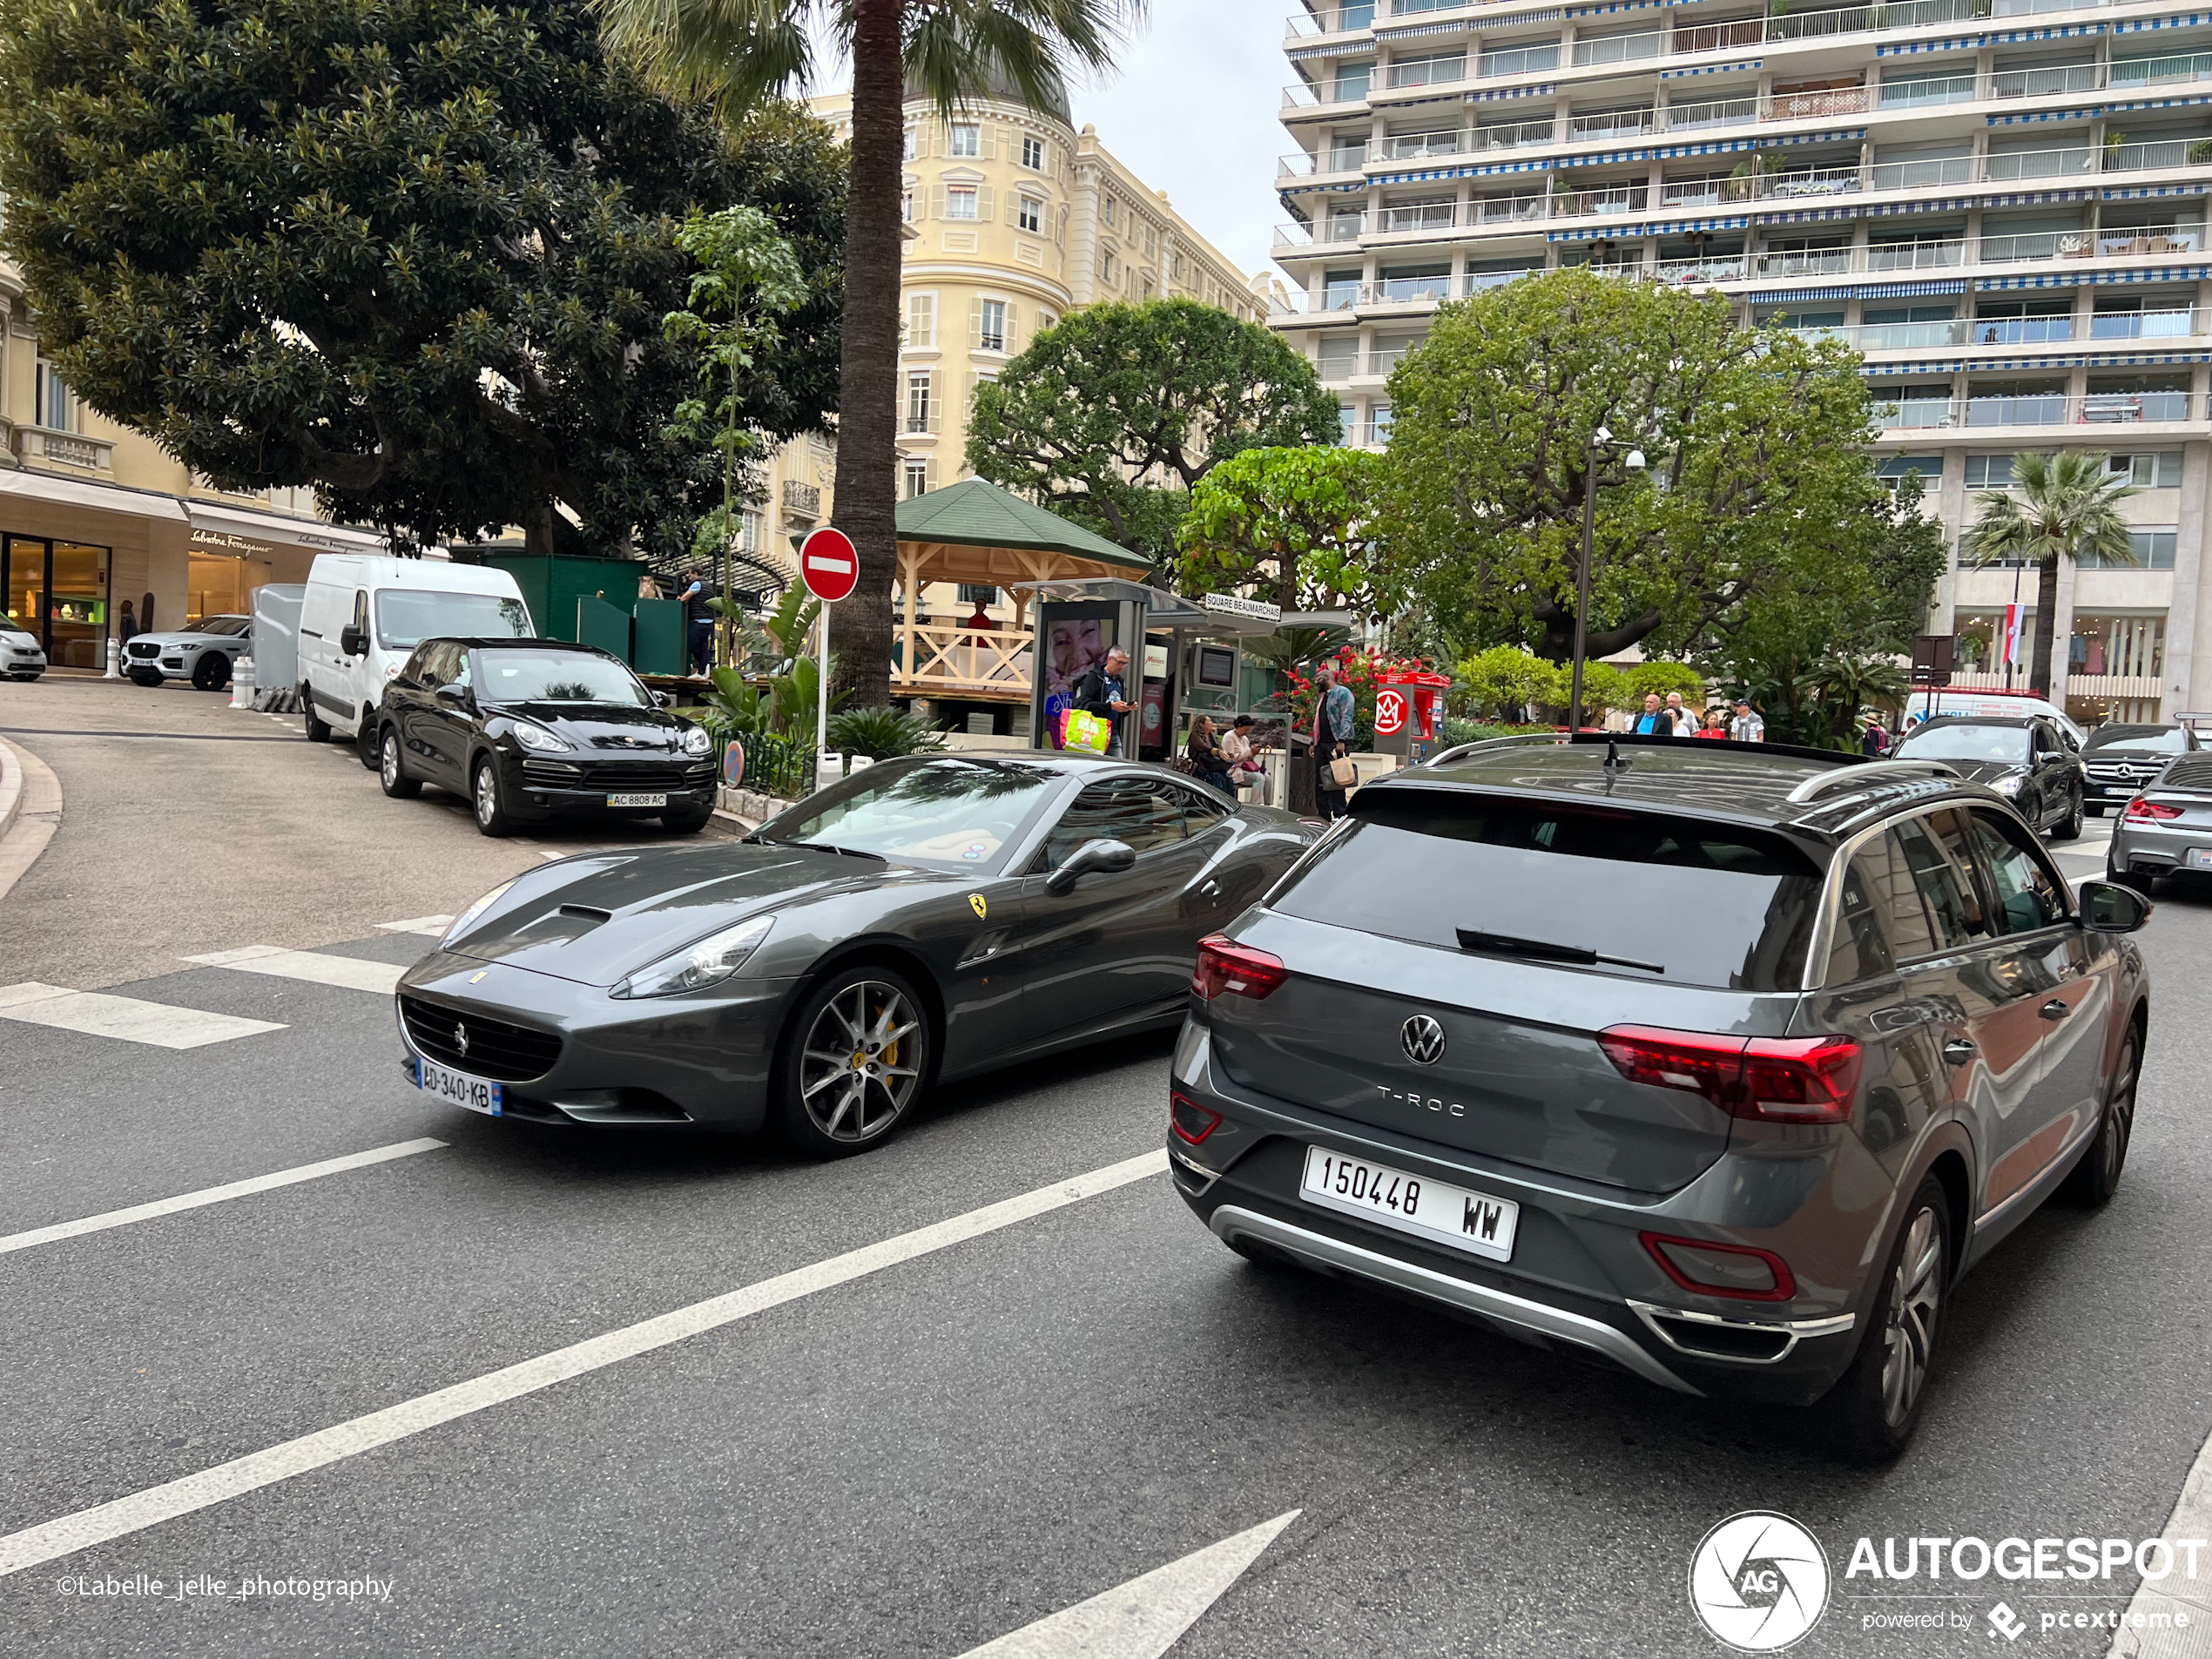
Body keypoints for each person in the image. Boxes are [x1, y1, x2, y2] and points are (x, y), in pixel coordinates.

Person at [1071, 644, 1134, 757]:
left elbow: (1117, 711)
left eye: (1125, 664)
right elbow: (1081, 704)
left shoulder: (1120, 681)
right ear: (1110, 659)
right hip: (1094, 734)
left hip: (1113, 734)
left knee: (1118, 770)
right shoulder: (1095, 677)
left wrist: (1127, 708)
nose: (1122, 667)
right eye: (1120, 662)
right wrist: (1110, 706)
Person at [1312, 664, 1356, 819]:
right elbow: (1319, 720)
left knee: (1338, 778)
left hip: (1336, 742)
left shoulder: (1342, 693)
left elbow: (1347, 716)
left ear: (1328, 677)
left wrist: (1342, 740)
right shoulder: (1324, 696)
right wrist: (1314, 742)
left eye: (1319, 679)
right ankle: (1323, 813)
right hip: (1322, 742)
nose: (1317, 683)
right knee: (1321, 779)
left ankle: (1339, 812)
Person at [1186, 716, 1236, 798]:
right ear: (1201, 724)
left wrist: (1226, 754)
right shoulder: (1195, 735)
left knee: (1227, 779)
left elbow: (1219, 748)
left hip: (1213, 765)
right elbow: (1204, 748)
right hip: (1201, 767)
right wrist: (1218, 752)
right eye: (1209, 721)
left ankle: (1229, 803)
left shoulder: (1212, 736)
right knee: (1217, 780)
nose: (1212, 723)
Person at [1219, 714, 1268, 795]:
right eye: (1246, 729)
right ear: (1239, 726)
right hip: (1234, 770)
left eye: (1249, 730)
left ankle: (1267, 804)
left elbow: (1248, 757)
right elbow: (1230, 758)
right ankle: (1255, 804)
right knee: (1259, 778)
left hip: (1245, 768)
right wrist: (1250, 751)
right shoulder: (1229, 737)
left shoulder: (1245, 739)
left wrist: (1253, 752)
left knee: (1267, 778)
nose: (1247, 732)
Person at [681, 563, 714, 677]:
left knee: (692, 645)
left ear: (695, 574)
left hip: (699, 621)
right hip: (708, 622)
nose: (689, 578)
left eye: (690, 575)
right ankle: (703, 670)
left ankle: (702, 669)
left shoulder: (697, 584)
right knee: (703, 646)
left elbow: (685, 598)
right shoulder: (709, 586)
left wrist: (681, 599)